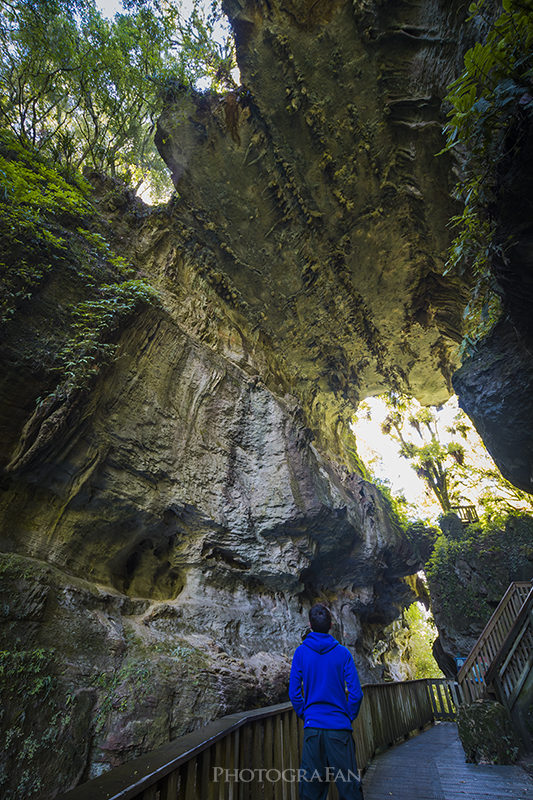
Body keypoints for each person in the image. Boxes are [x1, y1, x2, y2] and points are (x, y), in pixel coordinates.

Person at [289, 604, 364, 799]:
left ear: (309, 625)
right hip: (340, 727)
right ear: (331, 625)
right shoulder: (343, 653)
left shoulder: (301, 652)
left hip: (313, 727)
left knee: (311, 790)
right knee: (349, 787)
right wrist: (348, 716)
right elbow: (356, 693)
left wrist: (305, 714)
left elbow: (295, 693)